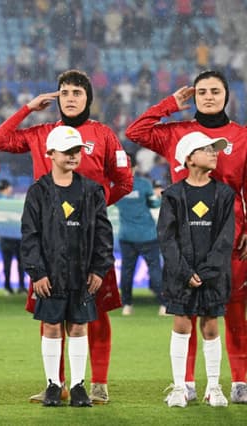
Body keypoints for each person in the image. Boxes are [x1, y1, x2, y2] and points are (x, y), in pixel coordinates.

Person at [0, 69, 132, 404]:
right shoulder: (41, 133)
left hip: (88, 242)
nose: (70, 98)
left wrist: (92, 210)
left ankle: (97, 383)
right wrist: (27, 109)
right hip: (50, 242)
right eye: (64, 92)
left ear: (87, 99)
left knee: (94, 314)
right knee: (50, 313)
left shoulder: (104, 134)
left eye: (77, 93)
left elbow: (123, 181)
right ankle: (57, 383)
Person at [126, 70, 247, 403]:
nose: (208, 96)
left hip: (230, 238)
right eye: (202, 91)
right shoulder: (176, 132)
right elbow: (134, 131)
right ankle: (188, 383)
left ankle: (239, 381)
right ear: (193, 96)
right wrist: (169, 104)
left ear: (227, 96)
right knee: (187, 312)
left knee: (233, 310)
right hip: (184, 239)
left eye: (215, 91)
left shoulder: (243, 136)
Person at [21, 126, 114, 408]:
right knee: (51, 327)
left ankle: (77, 386)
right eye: (67, 151)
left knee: (78, 327)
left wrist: (99, 269)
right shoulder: (38, 191)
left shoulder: (91, 190)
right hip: (49, 276)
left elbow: (103, 233)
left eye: (77, 151)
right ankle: (53, 385)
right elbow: (30, 234)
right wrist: (37, 272)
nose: (74, 156)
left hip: (82, 275)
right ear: (50, 154)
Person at [159, 132, 234, 408]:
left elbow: (226, 238)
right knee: (181, 325)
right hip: (181, 276)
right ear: (189, 159)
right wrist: (184, 272)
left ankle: (214, 387)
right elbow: (167, 238)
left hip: (212, 277)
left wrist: (206, 271)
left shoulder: (225, 194)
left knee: (212, 327)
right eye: (207, 149)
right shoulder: (173, 195)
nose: (214, 153)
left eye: (216, 149)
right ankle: (179, 387)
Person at [115, 154, 165, 316]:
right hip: (147, 235)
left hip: (126, 235)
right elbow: (154, 203)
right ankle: (164, 305)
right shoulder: (143, 184)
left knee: (127, 271)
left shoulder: (115, 186)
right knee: (155, 270)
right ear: (135, 167)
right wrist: (158, 196)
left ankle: (127, 305)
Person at [0, 179, 26, 294]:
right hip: (17, 237)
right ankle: (21, 287)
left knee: (7, 263)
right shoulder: (14, 202)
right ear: (9, 188)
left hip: (5, 237)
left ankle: (8, 287)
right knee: (20, 263)